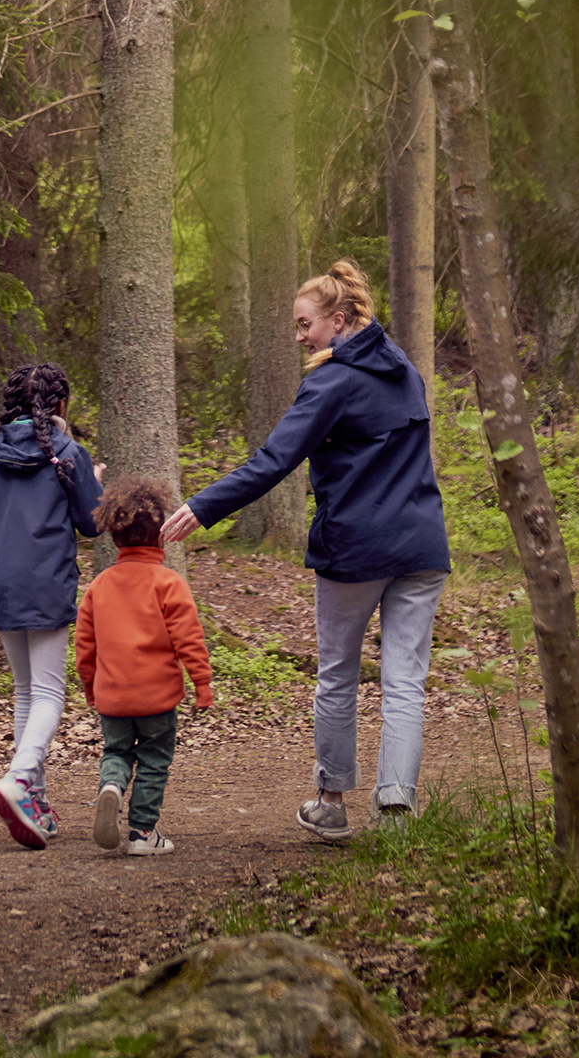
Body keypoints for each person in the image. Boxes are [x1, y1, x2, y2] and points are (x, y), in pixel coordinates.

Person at [161, 259, 449, 841]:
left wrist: (205, 506)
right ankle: (395, 811)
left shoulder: (332, 380)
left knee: (339, 675)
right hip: (422, 545)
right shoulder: (406, 372)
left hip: (356, 550)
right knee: (404, 682)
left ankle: (332, 803)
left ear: (338, 320)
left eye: (305, 324)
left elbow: (274, 461)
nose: (299, 337)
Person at [0, 362, 104, 850]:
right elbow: (93, 522)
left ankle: (33, 801)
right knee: (49, 694)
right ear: (60, 406)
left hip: (0, 590)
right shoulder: (68, 453)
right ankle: (18, 780)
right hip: (49, 588)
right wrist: (93, 479)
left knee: (24, 693)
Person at [77, 478, 213, 857]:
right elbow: (189, 639)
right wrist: (202, 684)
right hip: (157, 698)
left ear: (115, 538)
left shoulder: (98, 587)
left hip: (113, 697)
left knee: (116, 751)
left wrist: (90, 686)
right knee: (154, 758)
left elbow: (84, 646)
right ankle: (141, 833)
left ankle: (112, 787)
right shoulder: (169, 583)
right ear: (161, 538)